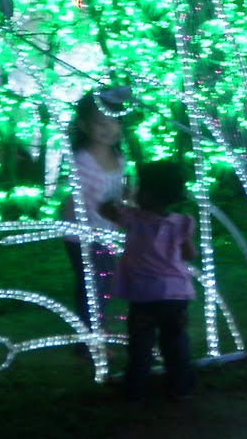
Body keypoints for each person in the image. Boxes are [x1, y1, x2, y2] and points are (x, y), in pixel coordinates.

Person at [100, 158, 197, 401]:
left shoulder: (133, 218)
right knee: (175, 341)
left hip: (145, 295)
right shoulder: (182, 222)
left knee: (141, 344)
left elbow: (104, 209)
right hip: (176, 294)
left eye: (140, 187)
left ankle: (135, 390)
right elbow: (189, 254)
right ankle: (180, 387)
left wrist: (122, 194)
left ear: (147, 194)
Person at [64, 90, 129, 333]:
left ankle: (98, 329)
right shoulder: (83, 161)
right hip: (83, 233)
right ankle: (91, 336)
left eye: (115, 121)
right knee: (91, 284)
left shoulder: (118, 156)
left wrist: (126, 201)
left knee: (104, 280)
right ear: (84, 125)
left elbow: (116, 192)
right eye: (101, 123)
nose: (109, 129)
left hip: (106, 230)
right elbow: (82, 202)